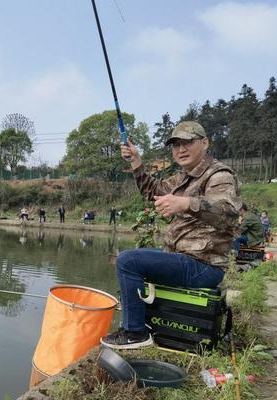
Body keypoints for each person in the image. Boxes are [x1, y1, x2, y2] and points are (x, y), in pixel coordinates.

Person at [100, 121, 240, 350]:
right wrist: (136, 162)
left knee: (129, 260)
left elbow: (227, 212)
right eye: (175, 145)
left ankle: (135, 333)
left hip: (204, 264)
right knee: (130, 258)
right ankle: (142, 321)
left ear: (205, 143)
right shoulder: (182, 178)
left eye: (187, 142)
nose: (180, 150)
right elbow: (151, 191)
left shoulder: (219, 175)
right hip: (183, 257)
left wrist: (185, 203)